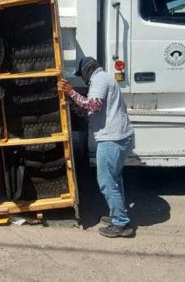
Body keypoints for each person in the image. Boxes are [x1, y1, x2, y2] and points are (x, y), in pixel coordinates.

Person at [58, 57, 135, 238]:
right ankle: (118, 214)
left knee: (107, 183)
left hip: (112, 139)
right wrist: (74, 103)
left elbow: (94, 105)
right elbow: (92, 110)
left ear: (86, 70)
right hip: (121, 137)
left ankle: (121, 224)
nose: (82, 78)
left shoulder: (99, 80)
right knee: (115, 180)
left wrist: (71, 92)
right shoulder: (105, 78)